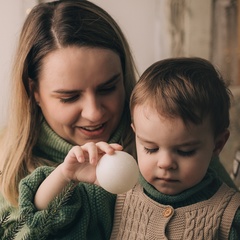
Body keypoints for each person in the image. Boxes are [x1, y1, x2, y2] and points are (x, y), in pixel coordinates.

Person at [19, 57, 240, 239]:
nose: (165, 163)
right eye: (150, 149)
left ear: (217, 145)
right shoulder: (117, 192)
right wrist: (65, 175)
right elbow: (44, 221)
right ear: (135, 134)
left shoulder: (230, 212)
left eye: (185, 151)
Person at [0, 0, 137, 238]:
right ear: (34, 92)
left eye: (108, 88)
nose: (94, 112)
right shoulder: (6, 167)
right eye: (69, 97)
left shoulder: (171, 145)